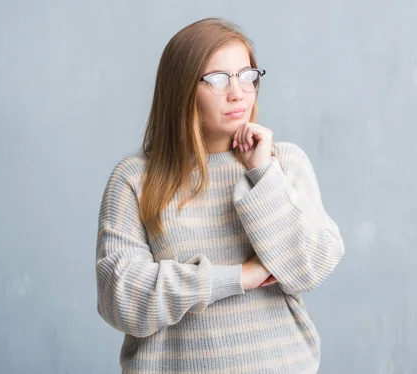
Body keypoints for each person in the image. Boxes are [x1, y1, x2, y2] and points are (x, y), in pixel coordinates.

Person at [95, 17, 345, 374]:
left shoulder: (284, 163)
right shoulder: (136, 179)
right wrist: (239, 276)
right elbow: (121, 300)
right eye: (216, 79)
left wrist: (261, 174)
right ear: (181, 89)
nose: (237, 92)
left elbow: (310, 267)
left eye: (246, 75)